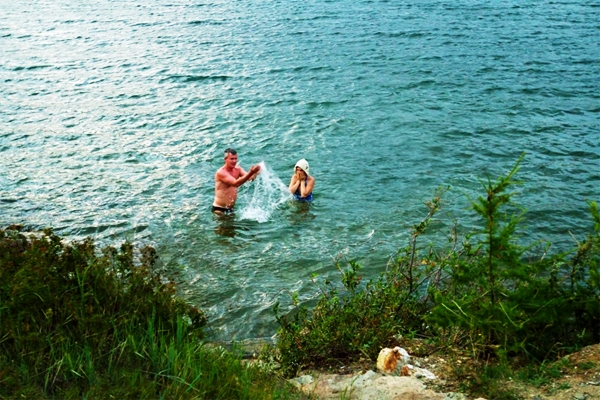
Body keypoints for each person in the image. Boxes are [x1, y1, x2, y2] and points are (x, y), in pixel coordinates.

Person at [212, 148, 261, 213]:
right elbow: (235, 183)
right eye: (232, 159)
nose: (234, 161)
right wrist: (251, 172)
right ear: (225, 159)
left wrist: (256, 172)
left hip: (231, 209)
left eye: (235, 158)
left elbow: (250, 178)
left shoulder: (238, 169)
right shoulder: (221, 172)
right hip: (219, 209)